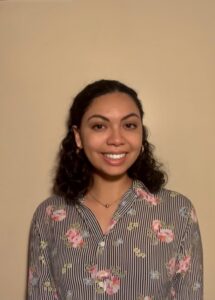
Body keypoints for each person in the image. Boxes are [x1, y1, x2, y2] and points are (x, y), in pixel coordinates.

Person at [27, 80, 203, 300]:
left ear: (141, 133)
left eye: (129, 125)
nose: (116, 139)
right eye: (99, 126)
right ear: (78, 136)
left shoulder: (178, 212)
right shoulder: (49, 215)